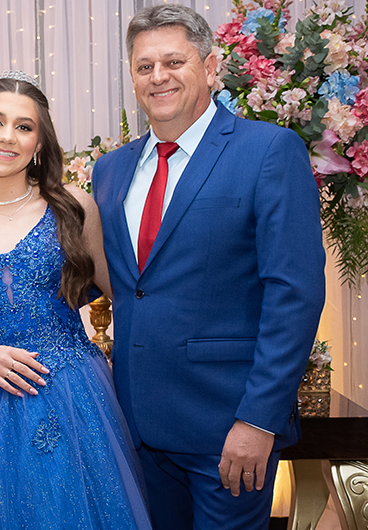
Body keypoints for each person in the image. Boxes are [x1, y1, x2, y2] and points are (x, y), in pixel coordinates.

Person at [90, 5, 326, 529]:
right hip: (136, 427)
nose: (159, 76)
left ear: (212, 66)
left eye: (174, 62)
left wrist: (258, 420)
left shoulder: (269, 151)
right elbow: (104, 275)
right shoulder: (110, 170)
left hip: (227, 429)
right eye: (145, 66)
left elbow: (295, 295)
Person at [0, 72, 152, 529]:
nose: (7, 136)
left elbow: (130, 295)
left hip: (71, 397)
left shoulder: (73, 209)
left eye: (23, 126)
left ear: (39, 142)